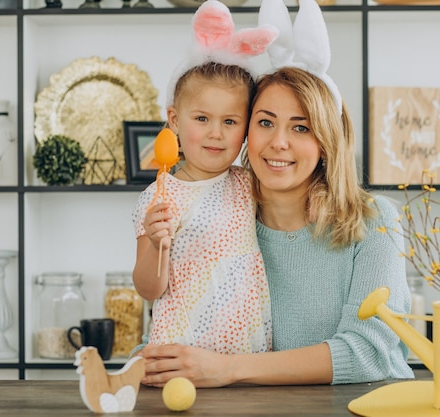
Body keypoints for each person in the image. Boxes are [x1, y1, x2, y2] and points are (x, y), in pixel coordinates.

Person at [135, 0, 414, 387]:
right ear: (246, 130)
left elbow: (371, 352)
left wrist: (225, 369)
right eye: (265, 122)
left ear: (326, 140)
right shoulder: (227, 212)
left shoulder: (373, 222)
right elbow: (176, 322)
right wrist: (159, 361)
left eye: (301, 128)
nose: (278, 142)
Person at [132, 0, 278, 355]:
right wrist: (155, 243)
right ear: (174, 119)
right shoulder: (159, 198)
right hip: (181, 355)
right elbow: (149, 289)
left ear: (245, 129)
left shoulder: (249, 183)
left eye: (229, 121)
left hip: (248, 358)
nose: (216, 133)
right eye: (202, 119)